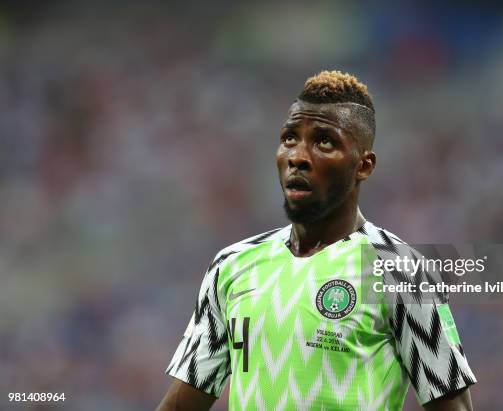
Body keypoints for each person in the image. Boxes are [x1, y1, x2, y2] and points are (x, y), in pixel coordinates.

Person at [157, 70, 476, 410]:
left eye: (324, 141)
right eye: (290, 138)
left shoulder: (401, 271)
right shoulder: (233, 265)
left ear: (364, 166)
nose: (298, 156)